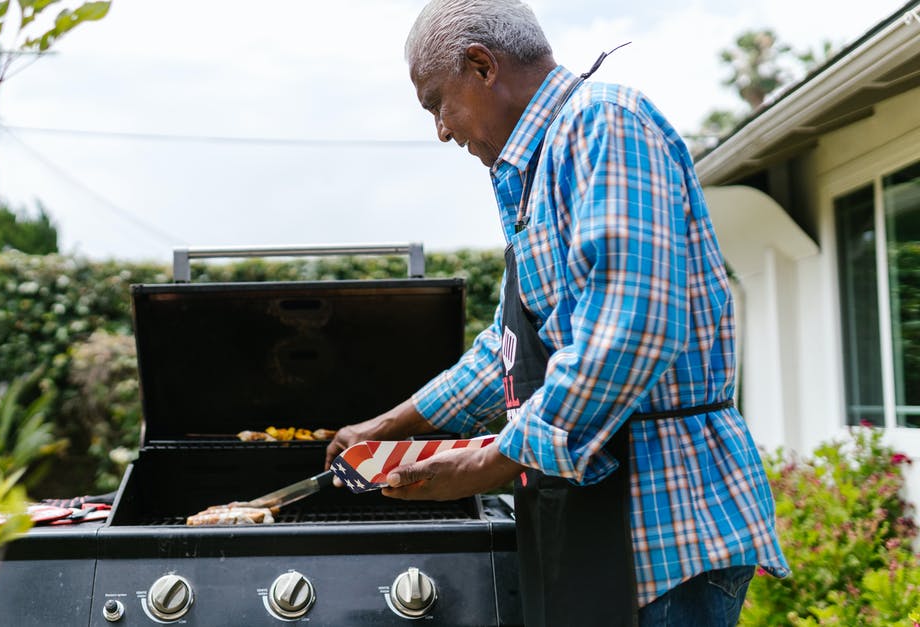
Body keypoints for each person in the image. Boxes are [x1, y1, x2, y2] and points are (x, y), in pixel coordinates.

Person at [323, 1, 789, 625]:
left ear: (482, 66)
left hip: (663, 525)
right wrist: (390, 426)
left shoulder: (605, 124)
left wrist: (490, 462)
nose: (440, 129)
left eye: (438, 102)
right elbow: (509, 350)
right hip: (597, 519)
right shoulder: (532, 169)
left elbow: (634, 328)